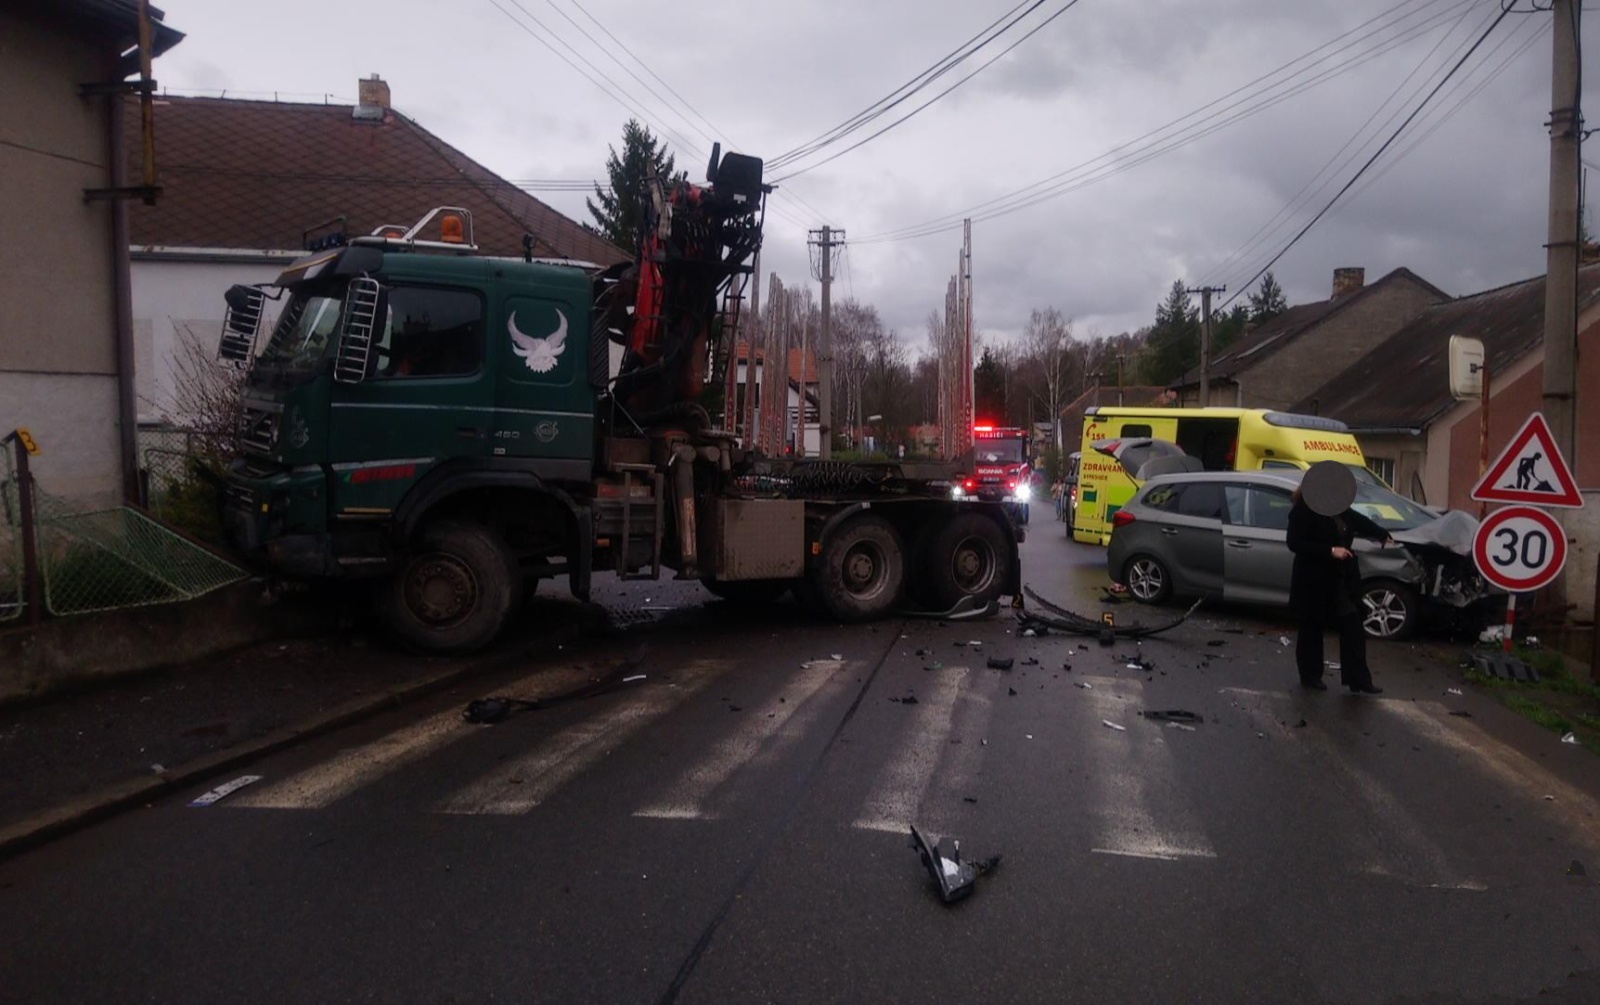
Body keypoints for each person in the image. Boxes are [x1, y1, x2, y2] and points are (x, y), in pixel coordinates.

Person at [1286, 467, 1394, 694]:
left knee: (1353, 625)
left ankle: (1359, 680)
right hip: (1313, 581)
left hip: (1340, 580)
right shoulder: (1302, 511)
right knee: (1311, 629)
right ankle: (1310, 675)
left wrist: (1381, 533)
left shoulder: (1339, 509)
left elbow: (1359, 521)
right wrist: (1329, 550)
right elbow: (1294, 543)